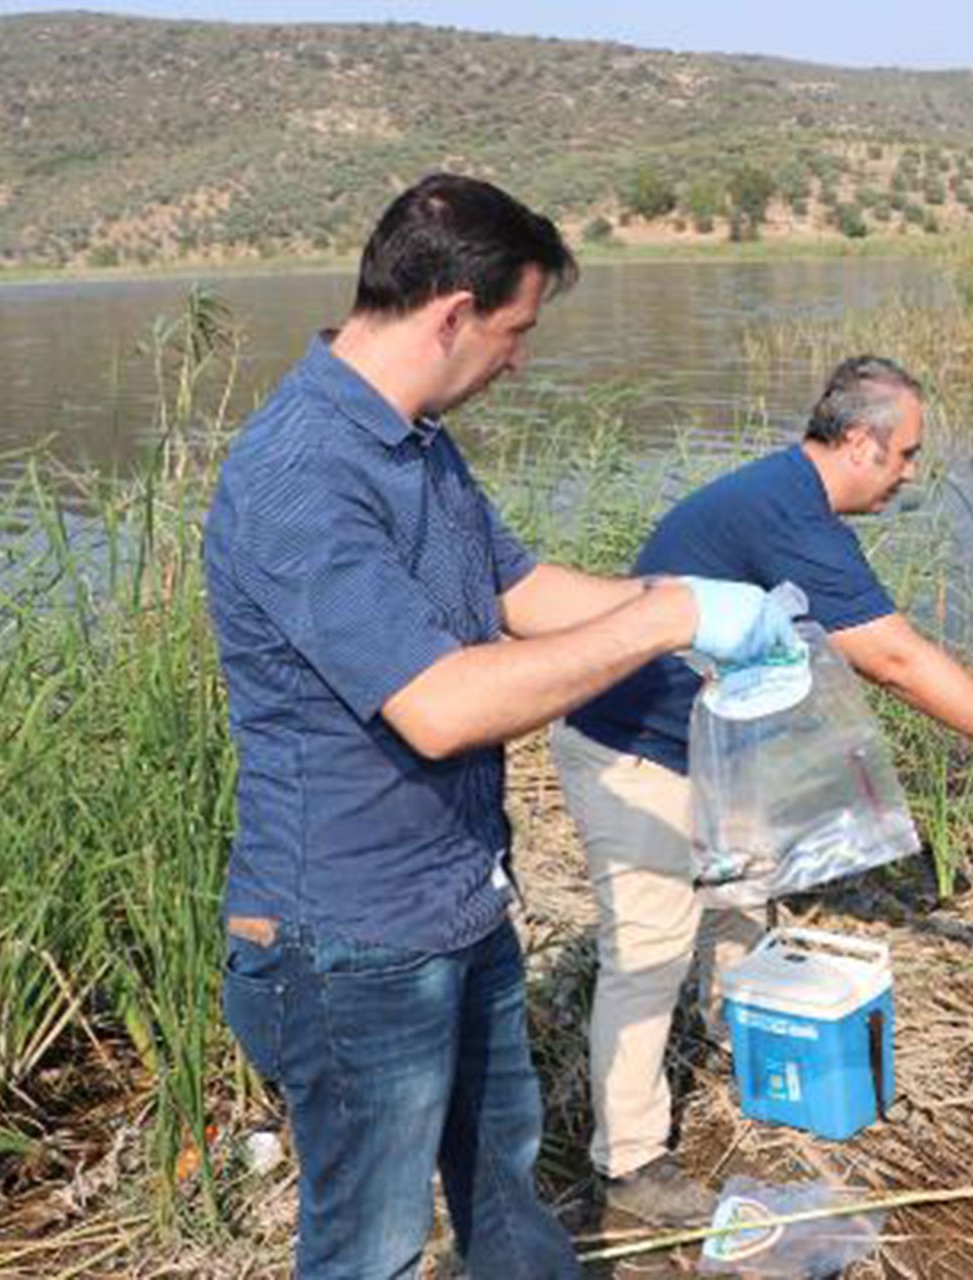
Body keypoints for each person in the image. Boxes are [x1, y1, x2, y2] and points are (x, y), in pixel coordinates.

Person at [203, 173, 797, 1280]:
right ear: (452, 314)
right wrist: (668, 616)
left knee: (505, 1184)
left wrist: (704, 611)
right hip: (349, 940)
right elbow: (443, 706)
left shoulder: (417, 439)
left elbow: (519, 591)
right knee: (370, 1243)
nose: (520, 358)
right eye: (517, 329)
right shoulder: (298, 477)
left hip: (464, 899)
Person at [551, 355, 973, 1223]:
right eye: (904, 456)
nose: (909, 476)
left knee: (746, 902)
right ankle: (630, 1165)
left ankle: (741, 1039)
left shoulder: (788, 497)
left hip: (708, 751)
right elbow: (895, 659)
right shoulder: (789, 518)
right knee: (648, 956)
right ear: (859, 441)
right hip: (631, 751)